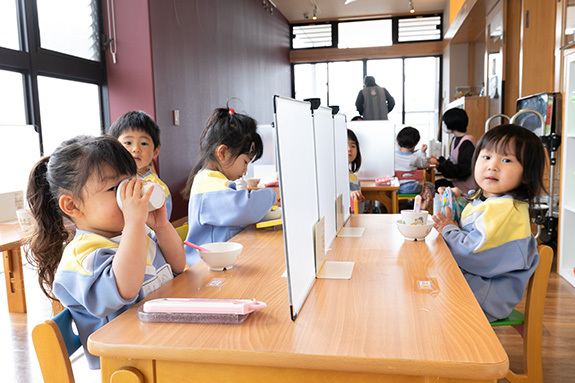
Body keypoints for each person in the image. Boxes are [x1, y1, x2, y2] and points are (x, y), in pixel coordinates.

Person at [25, 135, 186, 369]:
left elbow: (177, 266)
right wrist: (133, 223)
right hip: (127, 364)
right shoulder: (83, 256)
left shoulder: (133, 235)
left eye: (132, 181)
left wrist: (161, 225)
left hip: (161, 343)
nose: (130, 195)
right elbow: (126, 288)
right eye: (116, 189)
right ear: (72, 206)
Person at [432, 124, 546, 322]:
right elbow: (470, 222)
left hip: (487, 297)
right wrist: (454, 204)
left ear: (526, 174)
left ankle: (452, 349)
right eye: (486, 157)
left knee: (424, 291)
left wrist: (449, 228)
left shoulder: (506, 209)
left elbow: (471, 252)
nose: (492, 166)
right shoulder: (489, 201)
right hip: (482, 284)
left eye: (506, 160)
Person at [182, 107, 277, 266]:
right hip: (204, 267)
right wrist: (273, 194)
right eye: (245, 162)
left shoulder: (215, 180)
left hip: (218, 263)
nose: (245, 170)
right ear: (223, 153)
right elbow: (243, 208)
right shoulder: (206, 181)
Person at [108, 110, 173, 219]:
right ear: (114, 147)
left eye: (144, 143)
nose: (136, 149)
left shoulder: (155, 187)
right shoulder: (111, 181)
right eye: (128, 143)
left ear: (155, 151)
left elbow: (159, 225)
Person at [429, 108, 477, 195]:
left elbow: (463, 170)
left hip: (466, 185)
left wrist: (439, 165)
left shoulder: (467, 142)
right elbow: (452, 161)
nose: (443, 125)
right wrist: (438, 162)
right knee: (433, 184)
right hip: (458, 181)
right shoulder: (455, 139)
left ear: (452, 123)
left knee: (435, 186)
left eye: (444, 123)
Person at [395, 126, 432, 195]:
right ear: (416, 143)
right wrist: (423, 152)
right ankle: (424, 204)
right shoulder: (415, 158)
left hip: (396, 187)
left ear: (397, 140)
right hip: (413, 188)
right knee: (431, 186)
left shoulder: (393, 156)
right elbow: (424, 164)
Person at [347, 129, 365, 213]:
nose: (349, 149)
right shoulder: (334, 175)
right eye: (344, 145)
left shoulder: (354, 177)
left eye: (353, 146)